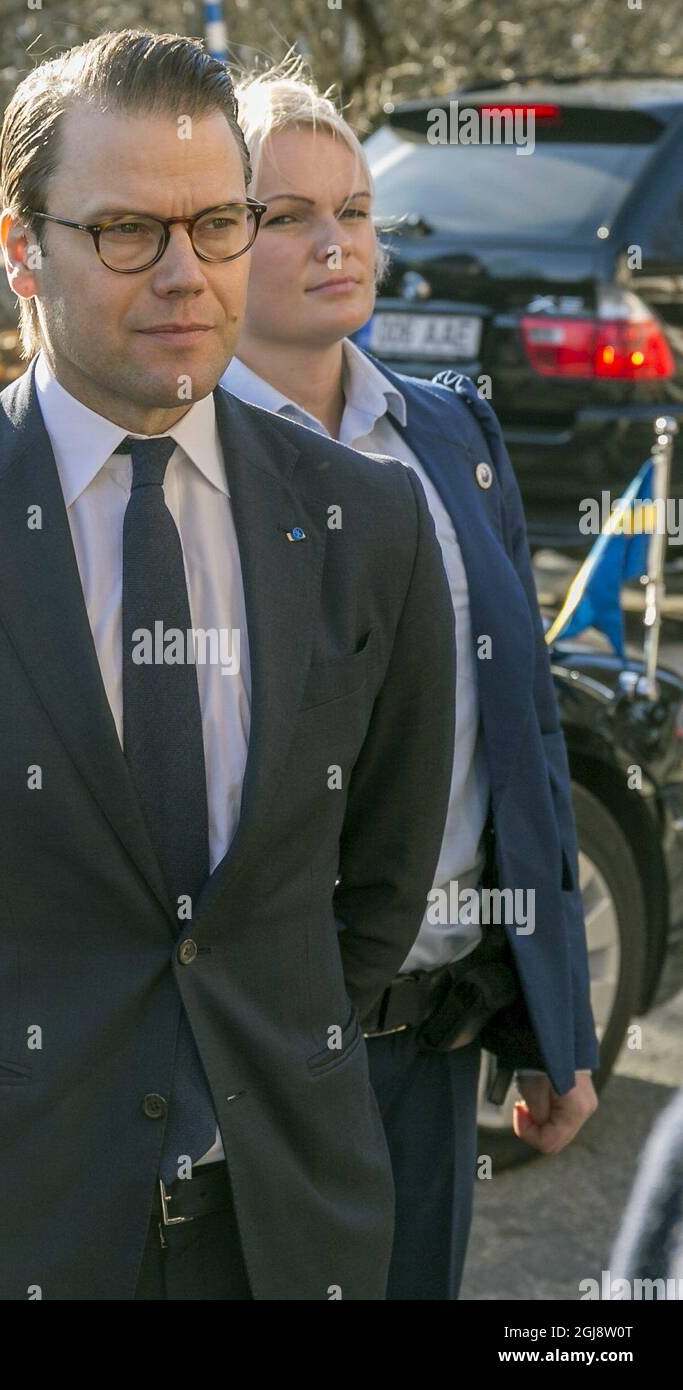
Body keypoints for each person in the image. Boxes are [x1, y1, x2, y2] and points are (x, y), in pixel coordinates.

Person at [0, 30, 456, 1301]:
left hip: (284, 1240)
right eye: (127, 232)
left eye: (220, 223)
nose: (185, 273)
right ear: (22, 250)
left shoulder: (369, 524)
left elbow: (378, 884)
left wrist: (272, 1066)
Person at [222, 59, 599, 1299]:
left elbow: (521, 736)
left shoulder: (450, 431)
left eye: (357, 211)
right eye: (288, 216)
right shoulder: (165, 453)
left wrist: (553, 1021)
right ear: (215, 237)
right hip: (236, 1060)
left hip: (427, 1044)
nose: (338, 244)